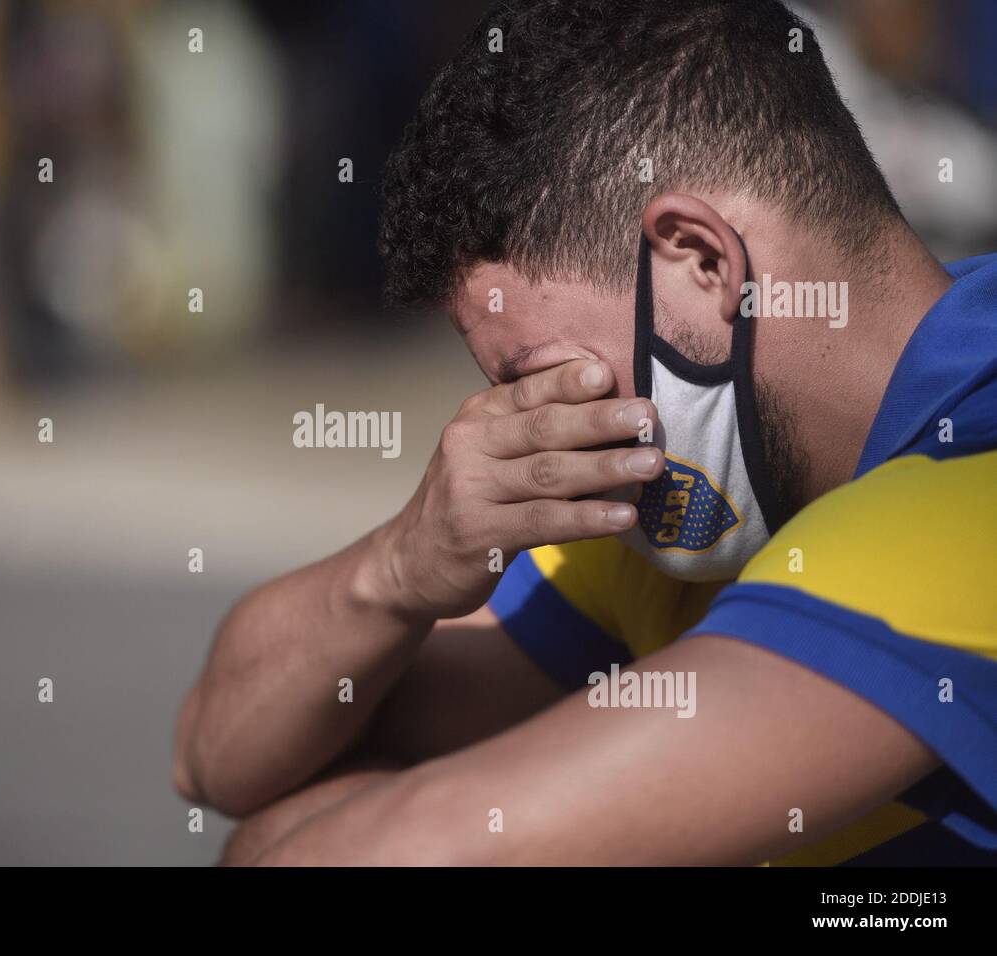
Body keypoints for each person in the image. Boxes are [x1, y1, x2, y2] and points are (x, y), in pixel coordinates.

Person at [174, 0, 997, 865]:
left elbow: (410, 850)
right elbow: (220, 759)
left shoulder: (966, 491)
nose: (526, 427)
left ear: (702, 259)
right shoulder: (692, 487)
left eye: (535, 377)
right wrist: (405, 564)